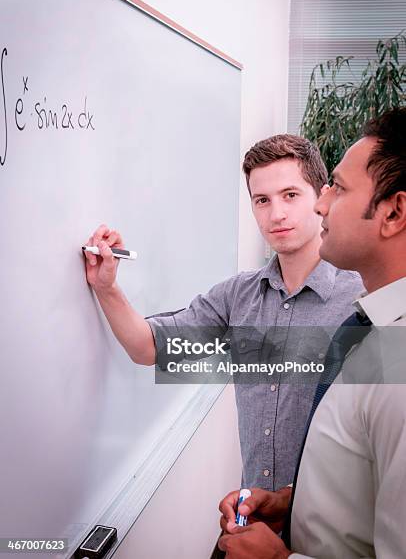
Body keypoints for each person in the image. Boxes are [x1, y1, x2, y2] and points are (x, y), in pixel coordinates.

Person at [84, 134, 362, 492]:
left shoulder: (361, 298)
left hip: (329, 539)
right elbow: (147, 348)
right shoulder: (238, 296)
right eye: (262, 200)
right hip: (249, 521)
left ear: (321, 196)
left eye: (290, 195)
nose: (276, 213)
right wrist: (107, 288)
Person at [218, 108, 406, 558]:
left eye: (337, 189)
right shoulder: (369, 331)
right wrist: (292, 502)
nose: (320, 204)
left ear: (394, 212)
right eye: (261, 199)